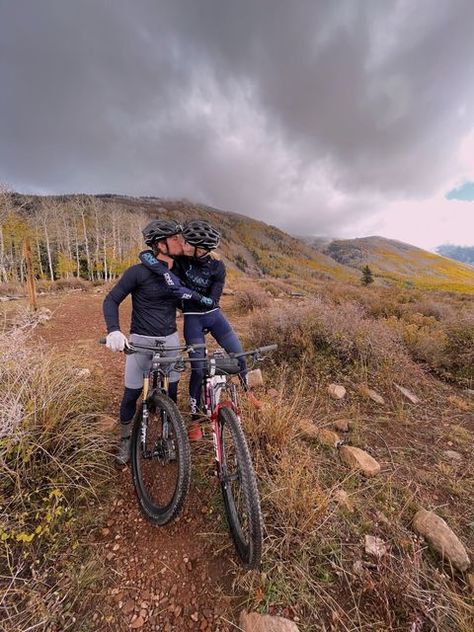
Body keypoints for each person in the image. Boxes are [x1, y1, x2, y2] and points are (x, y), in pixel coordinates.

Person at [103, 219, 215, 464]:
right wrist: (114, 330)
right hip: (140, 340)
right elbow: (111, 300)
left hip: (170, 339)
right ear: (159, 244)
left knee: (172, 393)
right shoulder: (137, 272)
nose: (180, 242)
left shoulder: (179, 273)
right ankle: (124, 440)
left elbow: (195, 294)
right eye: (175, 238)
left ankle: (169, 431)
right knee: (131, 394)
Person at [138, 219, 260, 441]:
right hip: (192, 319)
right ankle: (196, 419)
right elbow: (145, 256)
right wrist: (174, 283)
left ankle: (247, 390)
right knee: (198, 368)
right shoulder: (182, 261)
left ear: (199, 248)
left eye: (187, 243)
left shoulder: (217, 267)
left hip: (214, 316)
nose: (182, 245)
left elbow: (213, 300)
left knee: (239, 353)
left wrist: (188, 293)